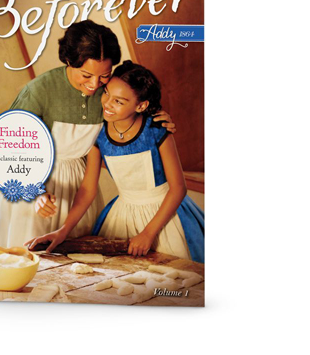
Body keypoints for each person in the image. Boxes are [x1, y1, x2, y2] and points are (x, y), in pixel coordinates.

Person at [0, 20, 173, 248]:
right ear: (68, 61)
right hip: (31, 183)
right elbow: (8, 147)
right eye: (86, 75)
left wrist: (155, 116)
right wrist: (35, 191)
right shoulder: (39, 90)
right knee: (27, 252)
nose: (94, 84)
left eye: (104, 75)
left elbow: (131, 107)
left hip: (77, 189)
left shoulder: (107, 93)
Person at [27, 63, 204, 261]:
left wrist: (148, 234)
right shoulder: (98, 133)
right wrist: (63, 231)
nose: (107, 104)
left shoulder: (157, 129)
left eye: (118, 101)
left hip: (166, 215)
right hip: (123, 214)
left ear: (141, 106)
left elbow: (178, 188)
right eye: (106, 93)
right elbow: (88, 189)